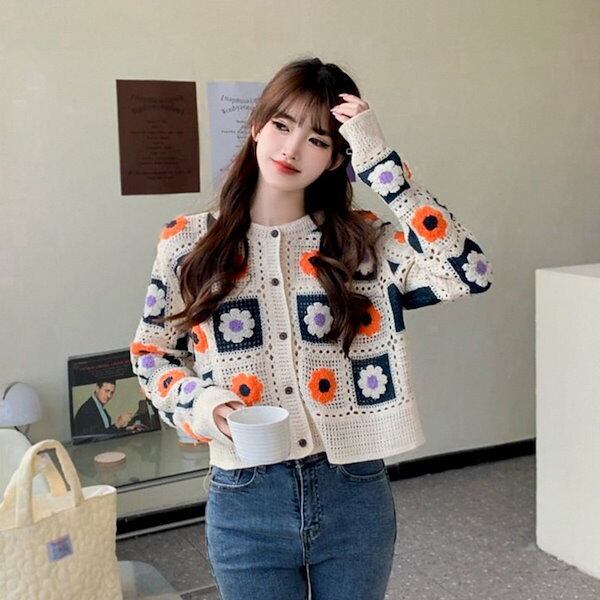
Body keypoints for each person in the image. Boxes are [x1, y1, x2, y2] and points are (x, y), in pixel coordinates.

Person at [130, 57, 493, 599]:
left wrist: (379, 160)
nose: (292, 148)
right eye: (282, 125)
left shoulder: (361, 244)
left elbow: (468, 271)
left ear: (337, 158)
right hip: (246, 496)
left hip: (353, 491)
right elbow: (151, 353)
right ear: (257, 126)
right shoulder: (189, 242)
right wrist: (205, 406)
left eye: (318, 139)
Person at [72, 380, 140, 441]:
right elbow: (94, 439)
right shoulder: (87, 410)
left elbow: (105, 433)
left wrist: (125, 429)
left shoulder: (99, 408)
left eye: (112, 392)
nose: (109, 396)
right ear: (97, 389)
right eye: (106, 391)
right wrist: (118, 424)